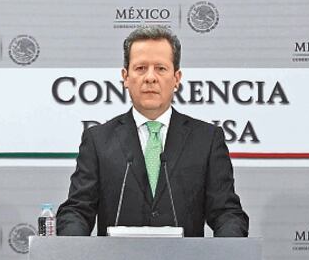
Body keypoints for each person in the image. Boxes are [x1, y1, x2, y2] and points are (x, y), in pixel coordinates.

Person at [57, 25, 248, 237]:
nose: (150, 77)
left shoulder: (207, 140)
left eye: (160, 68)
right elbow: (77, 210)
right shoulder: (98, 140)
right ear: (125, 77)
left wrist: (232, 244)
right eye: (140, 68)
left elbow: (226, 212)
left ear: (176, 78)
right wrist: (71, 244)